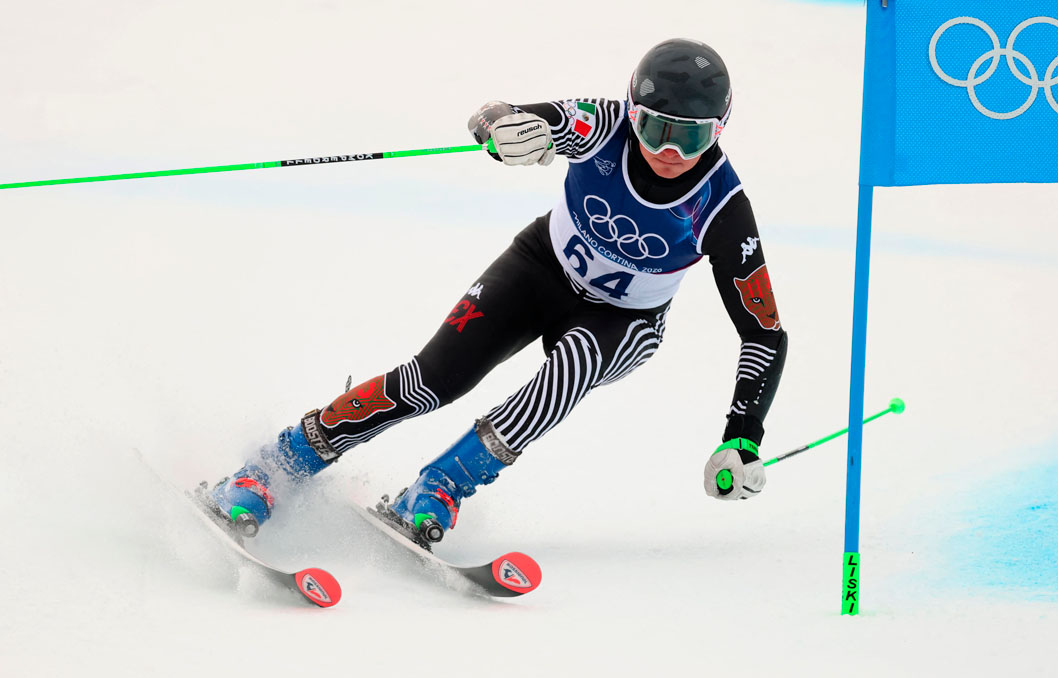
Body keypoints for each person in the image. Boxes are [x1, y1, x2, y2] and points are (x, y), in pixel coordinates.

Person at [202, 38, 788, 545]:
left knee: (574, 363)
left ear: (720, 130)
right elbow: (497, 113)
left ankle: (442, 486)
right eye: (654, 129)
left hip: (623, 322)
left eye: (691, 138)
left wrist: (743, 436)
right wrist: (501, 130)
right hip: (539, 267)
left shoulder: (721, 206)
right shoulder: (602, 125)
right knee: (432, 380)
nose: (668, 152)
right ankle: (275, 466)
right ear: (632, 113)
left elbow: (763, 333)